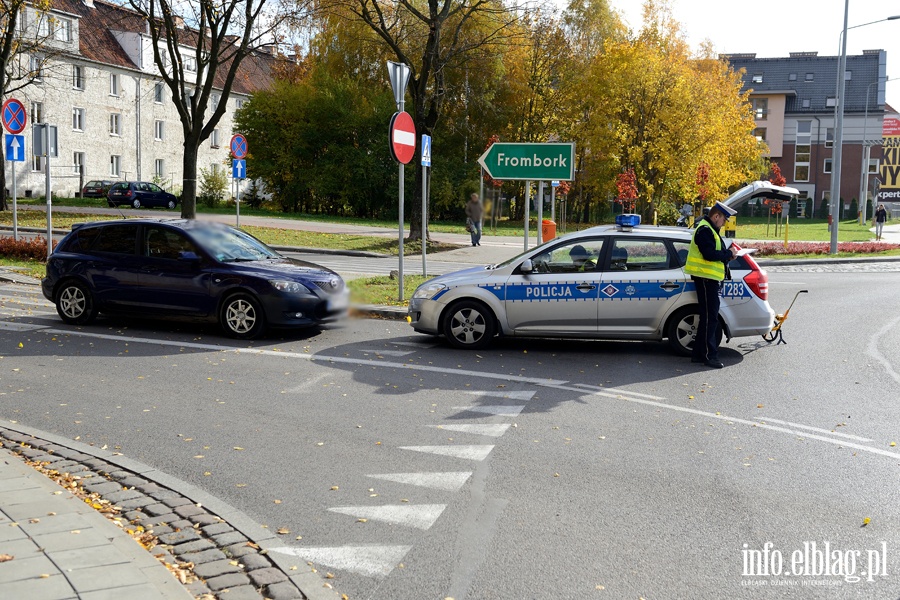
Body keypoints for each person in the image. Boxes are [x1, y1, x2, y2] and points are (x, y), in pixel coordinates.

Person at [684, 201, 737, 369]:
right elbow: (709, 254)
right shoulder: (705, 230)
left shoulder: (709, 229)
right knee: (710, 319)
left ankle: (698, 354)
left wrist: (727, 255)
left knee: (708, 318)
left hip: (709, 280)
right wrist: (728, 254)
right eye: (723, 220)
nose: (724, 223)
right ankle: (709, 356)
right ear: (716, 216)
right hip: (706, 280)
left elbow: (713, 253)